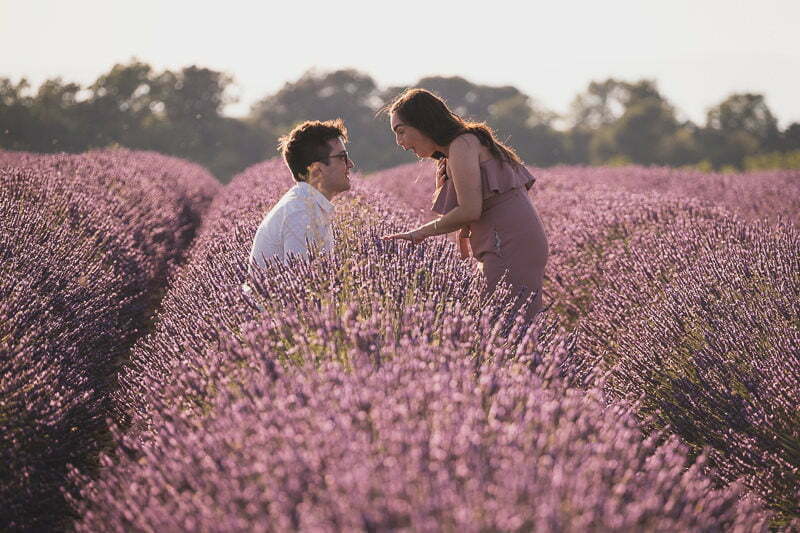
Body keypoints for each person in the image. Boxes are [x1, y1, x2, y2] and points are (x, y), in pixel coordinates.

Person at [382, 89, 549, 319]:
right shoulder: (455, 150)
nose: (399, 142)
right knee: (508, 324)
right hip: (504, 241)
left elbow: (470, 209)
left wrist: (419, 233)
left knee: (507, 325)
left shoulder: (462, 144)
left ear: (422, 123)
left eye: (401, 132)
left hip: (508, 243)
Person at [248, 119, 354, 270]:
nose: (350, 164)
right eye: (342, 157)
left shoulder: (307, 205)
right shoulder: (301, 213)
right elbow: (302, 282)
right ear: (317, 170)